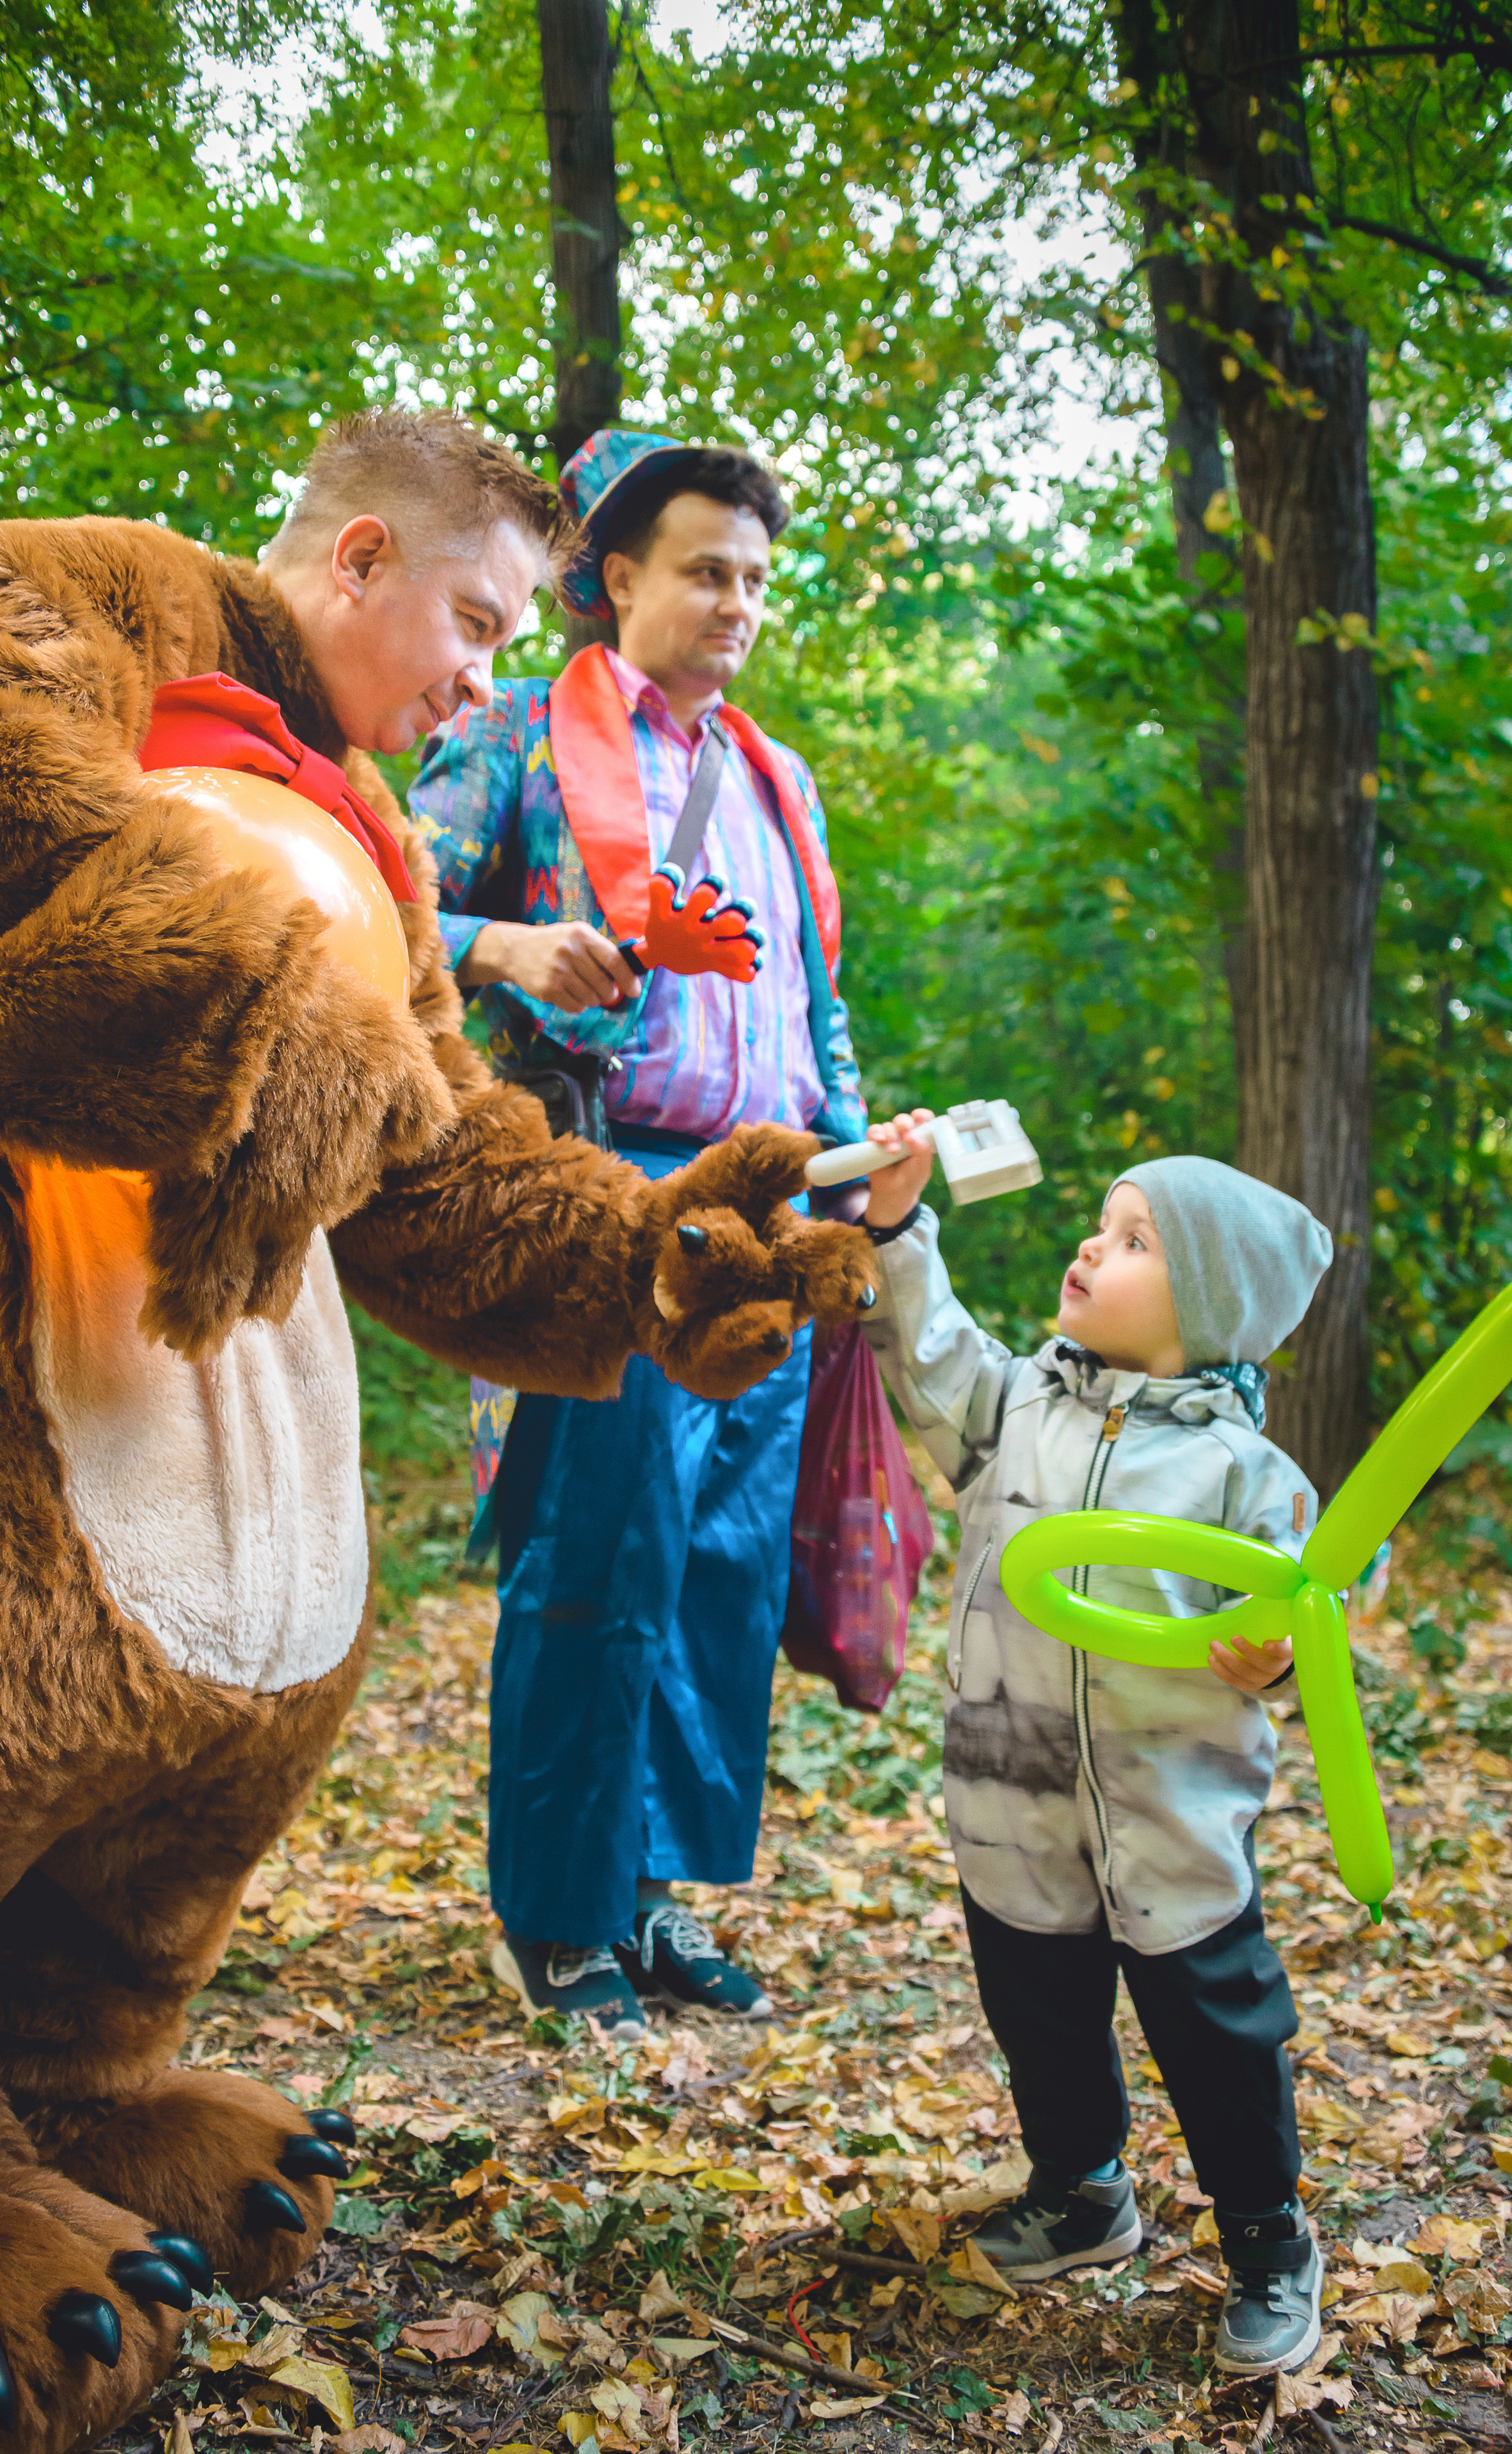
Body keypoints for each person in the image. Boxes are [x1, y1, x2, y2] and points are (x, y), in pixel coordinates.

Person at [408, 429, 867, 2038]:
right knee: (595, 1557)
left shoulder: (778, 778)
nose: (736, 602)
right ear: (616, 577)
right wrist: (510, 947)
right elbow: (376, 907)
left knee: (719, 1571)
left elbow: (814, 1005)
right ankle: (554, 1913)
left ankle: (652, 1896)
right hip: (605, 1199)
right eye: (704, 571)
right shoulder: (519, 729)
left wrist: (857, 1159)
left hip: (766, 1213)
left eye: (754, 578)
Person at [857, 1118, 1334, 2379]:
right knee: (1040, 2013)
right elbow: (929, 1351)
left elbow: (1313, 1595)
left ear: (1209, 1308)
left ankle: (1266, 2236)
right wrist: (896, 1226)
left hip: (1169, 1816)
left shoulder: (1243, 1472)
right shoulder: (1016, 1406)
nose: (1090, 1245)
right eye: (1101, 1224)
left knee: (1219, 2033)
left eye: (1134, 1241)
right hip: (1013, 1801)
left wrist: (1274, 1652)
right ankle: (1079, 2192)